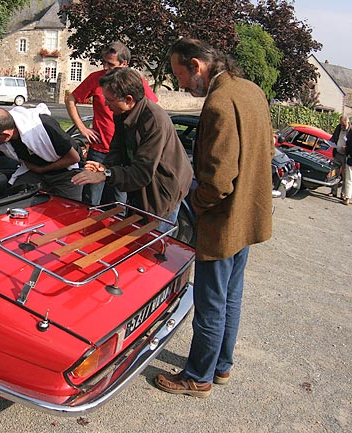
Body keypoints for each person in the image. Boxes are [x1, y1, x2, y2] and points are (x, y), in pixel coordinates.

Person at [154, 38, 274, 398]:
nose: (181, 85)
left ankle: (198, 376)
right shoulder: (250, 89)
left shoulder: (220, 102)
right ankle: (220, 367)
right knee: (230, 297)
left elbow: (219, 179)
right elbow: (267, 147)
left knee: (210, 302)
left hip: (222, 222)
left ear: (197, 65)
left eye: (181, 76)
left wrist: (197, 202)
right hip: (246, 217)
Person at [70, 67, 192, 231]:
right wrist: (107, 166)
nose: (105, 104)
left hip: (164, 187)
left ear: (128, 99)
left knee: (150, 242)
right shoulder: (121, 112)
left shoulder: (154, 121)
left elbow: (143, 172)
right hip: (144, 184)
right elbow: (117, 147)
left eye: (109, 100)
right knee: (132, 230)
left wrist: (106, 175)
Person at [65, 41, 158, 205]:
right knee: (91, 200)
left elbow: (152, 109)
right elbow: (71, 99)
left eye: (111, 64)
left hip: (122, 152)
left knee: (118, 201)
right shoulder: (96, 79)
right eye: (104, 62)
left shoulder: (136, 82)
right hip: (99, 149)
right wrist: (82, 128)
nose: (106, 67)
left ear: (124, 64)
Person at [329, 115, 351, 202]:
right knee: (334, 173)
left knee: (346, 176)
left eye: (344, 125)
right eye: (341, 124)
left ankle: (343, 194)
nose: (342, 127)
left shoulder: (351, 130)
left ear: (348, 123)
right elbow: (334, 137)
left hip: (346, 155)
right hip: (337, 153)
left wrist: (347, 147)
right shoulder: (338, 127)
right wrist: (330, 142)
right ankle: (333, 191)